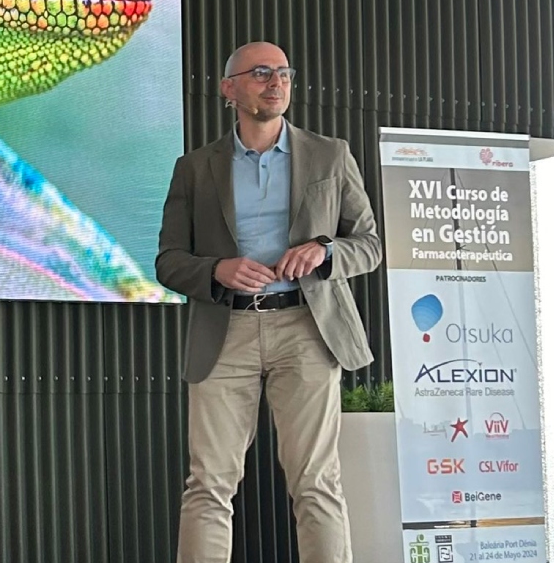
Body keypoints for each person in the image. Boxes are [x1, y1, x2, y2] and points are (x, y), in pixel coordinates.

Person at [155, 41, 383, 563]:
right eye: (261, 73)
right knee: (208, 484)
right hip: (225, 331)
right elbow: (168, 261)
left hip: (307, 328)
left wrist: (323, 252)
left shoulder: (331, 154)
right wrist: (216, 270)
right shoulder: (194, 168)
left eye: (283, 72)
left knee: (317, 482)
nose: (276, 82)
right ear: (229, 89)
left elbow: (368, 246)